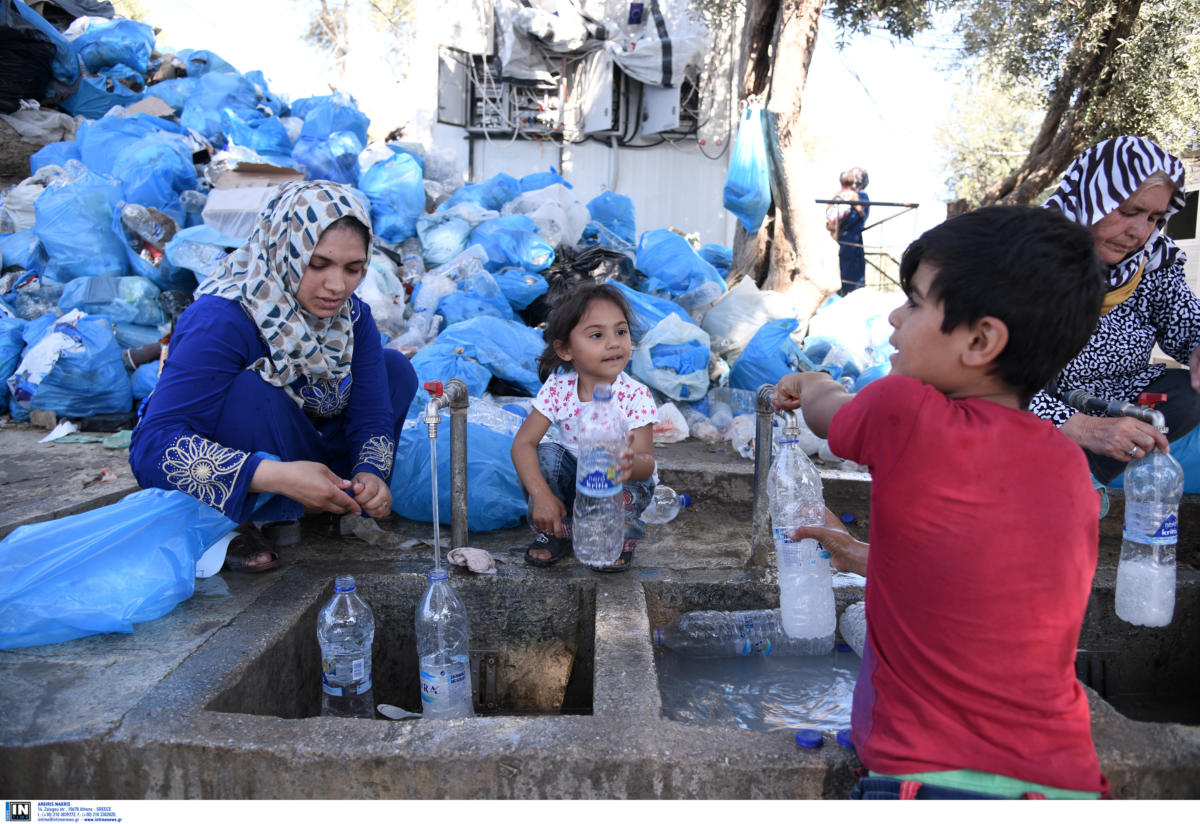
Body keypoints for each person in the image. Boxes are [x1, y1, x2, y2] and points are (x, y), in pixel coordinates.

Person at [773, 205, 1110, 799]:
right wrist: (861, 557)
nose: (894, 316)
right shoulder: (1066, 464)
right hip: (1064, 783)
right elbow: (986, 594)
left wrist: (812, 384)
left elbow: (828, 413)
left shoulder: (905, 412)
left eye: (916, 302)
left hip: (928, 780)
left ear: (981, 340)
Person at [129, 181, 418, 572]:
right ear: (283, 250)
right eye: (317, 265)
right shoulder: (222, 318)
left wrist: (371, 475)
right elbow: (152, 449)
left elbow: (371, 413)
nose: (337, 286)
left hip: (307, 455)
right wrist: (275, 476)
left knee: (394, 368)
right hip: (259, 466)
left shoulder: (352, 318)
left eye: (353, 269)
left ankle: (329, 500)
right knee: (250, 389)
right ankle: (249, 517)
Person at [1031, 135, 1200, 487]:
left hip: (1114, 404)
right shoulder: (1024, 256)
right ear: (1092, 197)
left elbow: (1186, 325)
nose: (1139, 231)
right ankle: (1058, 474)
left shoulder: (1152, 261)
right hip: (1030, 408)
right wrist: (1081, 427)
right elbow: (985, 377)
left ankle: (1086, 476)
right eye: (1128, 211)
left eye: (1154, 217)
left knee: (1186, 392)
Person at [510, 282, 657, 571]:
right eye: (597, 335)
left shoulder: (635, 395)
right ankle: (555, 531)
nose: (614, 343)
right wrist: (541, 495)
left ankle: (618, 540)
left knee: (631, 486)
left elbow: (646, 463)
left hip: (616, 482)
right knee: (547, 455)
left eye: (621, 331)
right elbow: (522, 444)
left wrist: (630, 464)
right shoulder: (559, 388)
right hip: (575, 481)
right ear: (565, 349)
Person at [825, 168, 870, 295]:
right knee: (844, 271)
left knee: (849, 272)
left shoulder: (858, 196)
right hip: (845, 238)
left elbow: (857, 216)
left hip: (849, 238)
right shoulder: (852, 195)